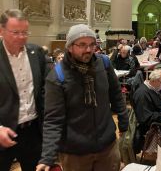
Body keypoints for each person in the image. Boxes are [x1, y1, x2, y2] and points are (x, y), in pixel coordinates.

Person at [36, 24, 129, 171]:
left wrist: (124, 122)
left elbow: (116, 93)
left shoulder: (104, 64)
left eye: (92, 44)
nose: (88, 49)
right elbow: (53, 120)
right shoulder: (57, 77)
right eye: (82, 45)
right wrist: (47, 157)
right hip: (75, 153)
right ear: (70, 47)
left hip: (107, 147)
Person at [0, 9, 47, 171]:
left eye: (25, 32)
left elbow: (45, 90)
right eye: (15, 32)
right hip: (4, 131)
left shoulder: (37, 53)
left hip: (33, 130)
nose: (21, 37)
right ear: (1, 30)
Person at [132, 68, 161, 139]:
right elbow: (145, 119)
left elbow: (160, 105)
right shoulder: (141, 94)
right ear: (155, 81)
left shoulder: (153, 89)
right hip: (154, 126)